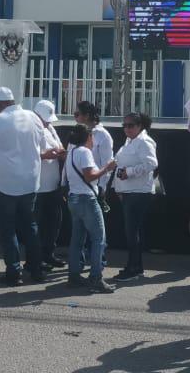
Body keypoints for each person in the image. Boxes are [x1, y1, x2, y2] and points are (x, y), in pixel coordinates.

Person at [0, 86, 46, 286]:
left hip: (3, 184)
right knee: (31, 228)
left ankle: (14, 272)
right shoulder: (33, 117)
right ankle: (37, 269)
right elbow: (42, 143)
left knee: (7, 230)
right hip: (30, 182)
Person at [63, 123, 116, 293]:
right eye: (91, 137)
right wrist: (106, 168)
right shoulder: (85, 152)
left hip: (74, 198)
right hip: (87, 199)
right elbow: (90, 176)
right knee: (98, 238)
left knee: (77, 239)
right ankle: (96, 277)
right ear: (88, 138)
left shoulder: (71, 152)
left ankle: (74, 275)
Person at [111, 110, 158, 282]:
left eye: (131, 125)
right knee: (132, 232)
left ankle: (134, 268)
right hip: (128, 192)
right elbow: (119, 166)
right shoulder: (130, 141)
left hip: (139, 192)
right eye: (124, 125)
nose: (127, 128)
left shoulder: (144, 141)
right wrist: (118, 186)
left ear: (140, 126)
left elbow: (152, 163)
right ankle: (134, 266)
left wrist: (129, 173)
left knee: (132, 232)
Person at [33, 100, 67, 271]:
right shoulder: (31, 129)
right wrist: (43, 155)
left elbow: (59, 146)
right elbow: (27, 153)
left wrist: (59, 153)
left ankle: (49, 253)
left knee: (53, 222)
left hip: (53, 184)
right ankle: (36, 259)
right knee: (37, 225)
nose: (47, 121)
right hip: (38, 186)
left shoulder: (51, 128)